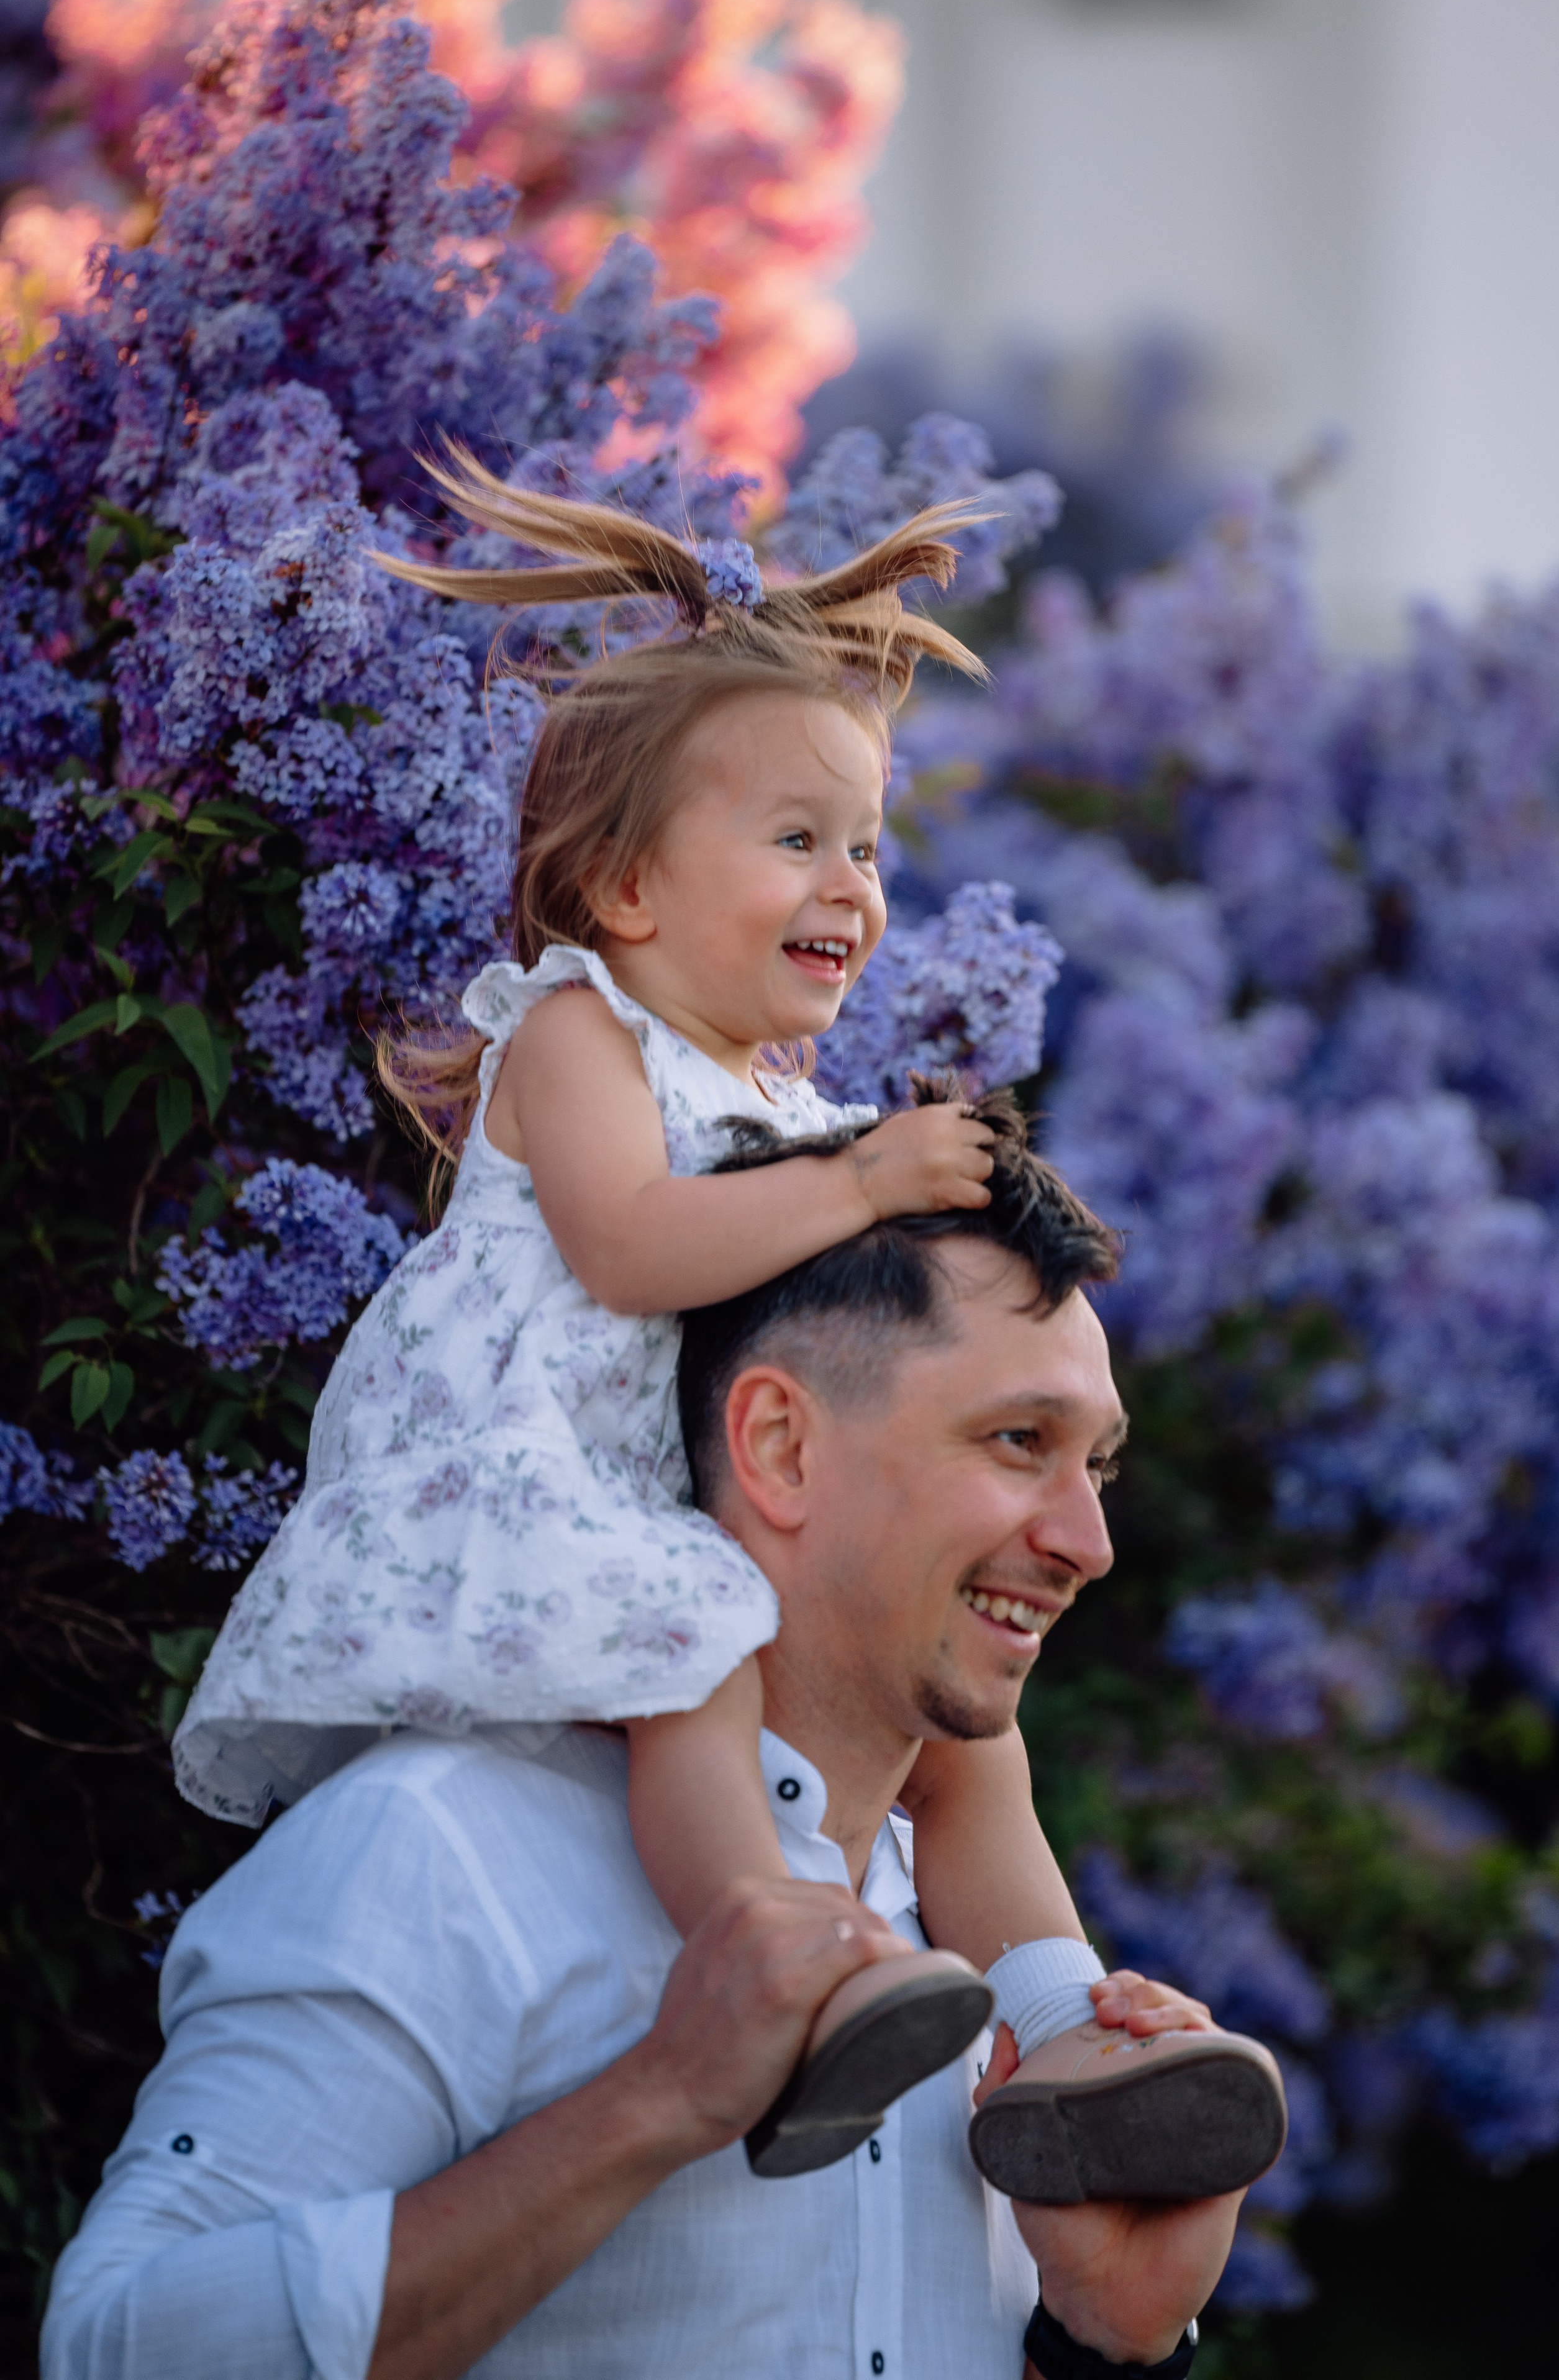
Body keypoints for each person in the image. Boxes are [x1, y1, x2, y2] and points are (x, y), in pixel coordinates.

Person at [170, 455, 1279, 2179]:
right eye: (795, 839)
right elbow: (626, 1247)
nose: (852, 883)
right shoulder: (578, 1031)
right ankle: (780, 1969)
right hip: (562, 1471)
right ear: (627, 887)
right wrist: (860, 1179)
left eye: (866, 845)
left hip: (693, 1478)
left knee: (968, 1743)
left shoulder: (787, 1097)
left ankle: (1066, 2030)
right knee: (688, 1657)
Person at [43, 1098, 1255, 2380]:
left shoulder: (994, 1973)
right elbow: (120, 2347)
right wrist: (657, 2100)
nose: (1087, 1541)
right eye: (1019, 1441)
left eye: (1096, 1465)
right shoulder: (443, 1850)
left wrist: (1102, 2340)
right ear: (779, 1445)